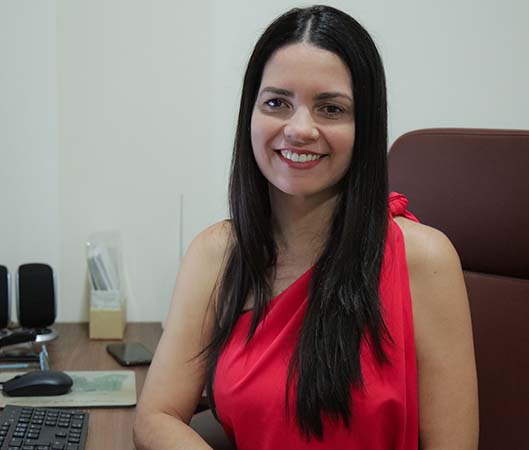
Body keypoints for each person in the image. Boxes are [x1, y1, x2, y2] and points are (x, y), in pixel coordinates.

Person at [134, 5, 478, 450]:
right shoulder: (217, 252)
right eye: (277, 103)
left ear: (364, 128)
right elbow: (155, 416)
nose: (299, 129)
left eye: (330, 108)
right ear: (251, 115)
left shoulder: (424, 260)